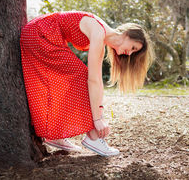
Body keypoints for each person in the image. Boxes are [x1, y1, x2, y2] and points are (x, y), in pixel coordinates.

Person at [20, 11, 153, 157]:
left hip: (39, 33)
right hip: (39, 33)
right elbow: (92, 80)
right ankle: (93, 137)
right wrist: (97, 119)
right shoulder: (98, 32)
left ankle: (55, 134)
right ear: (127, 34)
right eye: (133, 47)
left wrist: (99, 113)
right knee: (81, 75)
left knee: (72, 79)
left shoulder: (101, 39)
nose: (129, 54)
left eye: (134, 53)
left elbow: (97, 81)